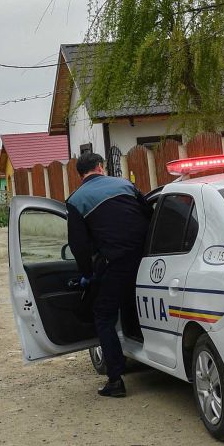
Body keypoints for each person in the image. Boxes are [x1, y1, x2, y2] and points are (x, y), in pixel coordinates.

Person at [66, 151, 152, 397]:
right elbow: (149, 214)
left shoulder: (75, 200)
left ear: (81, 175)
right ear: (101, 167)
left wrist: (87, 273)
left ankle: (116, 379)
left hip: (115, 264)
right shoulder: (125, 184)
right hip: (148, 258)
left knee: (103, 315)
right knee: (131, 303)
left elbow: (78, 246)